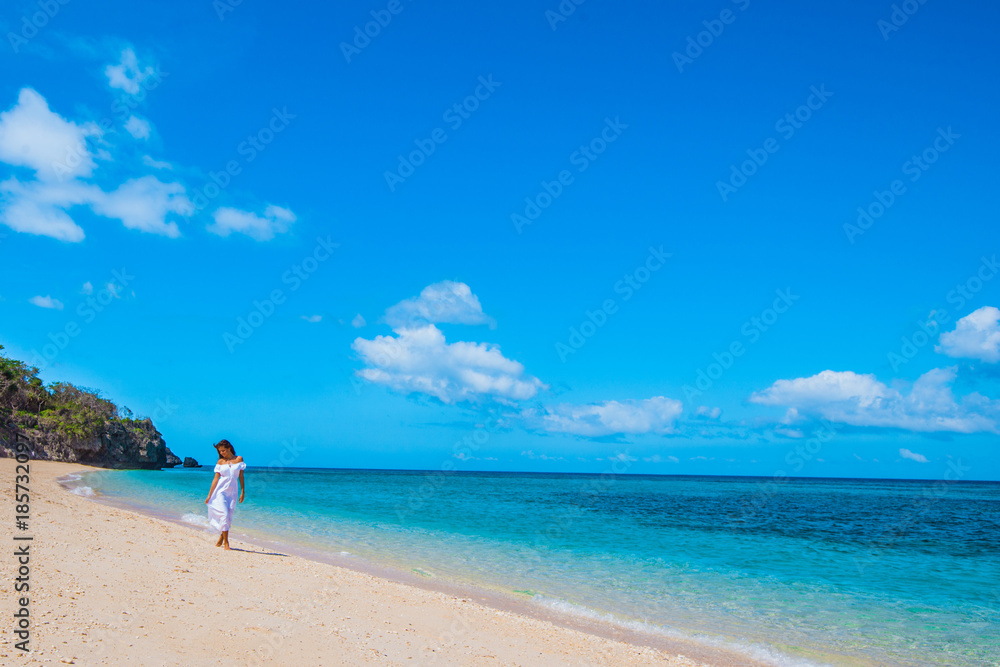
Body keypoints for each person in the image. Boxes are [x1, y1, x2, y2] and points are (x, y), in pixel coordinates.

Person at [204, 439, 245, 550]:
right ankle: (226, 543)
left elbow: (241, 476)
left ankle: (222, 537)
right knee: (224, 515)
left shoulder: (239, 459)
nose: (221, 453)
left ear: (229, 448)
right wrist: (209, 495)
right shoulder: (220, 462)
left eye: (223, 450)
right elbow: (216, 479)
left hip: (233, 492)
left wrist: (242, 491)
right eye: (220, 451)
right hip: (220, 491)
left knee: (229, 517)